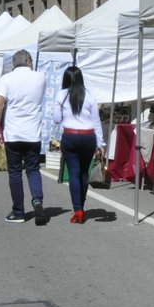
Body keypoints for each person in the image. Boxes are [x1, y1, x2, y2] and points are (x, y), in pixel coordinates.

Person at [0, 48, 48, 223]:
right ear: (29, 61)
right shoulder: (40, 77)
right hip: (33, 133)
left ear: (13, 64)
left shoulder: (6, 79)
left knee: (15, 173)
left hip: (13, 133)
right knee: (33, 169)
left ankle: (18, 211)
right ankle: (37, 199)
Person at [57, 65, 106, 224]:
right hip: (88, 137)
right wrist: (100, 144)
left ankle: (77, 209)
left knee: (73, 173)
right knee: (84, 173)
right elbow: (96, 122)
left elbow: (56, 119)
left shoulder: (61, 95)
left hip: (70, 136)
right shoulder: (90, 96)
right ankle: (81, 206)